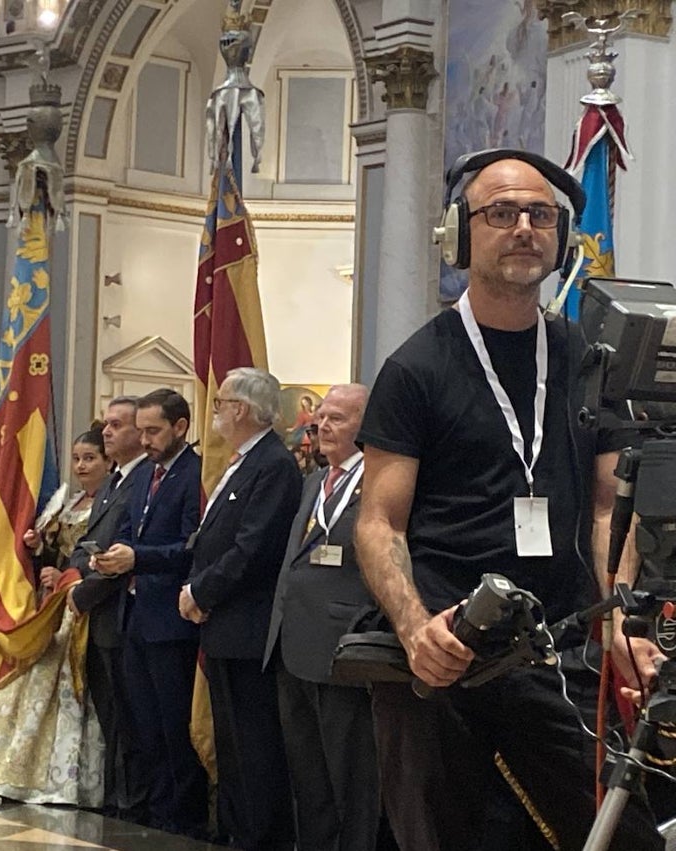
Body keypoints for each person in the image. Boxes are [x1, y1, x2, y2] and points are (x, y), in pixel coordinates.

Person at [354, 150, 663, 850]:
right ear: (459, 238)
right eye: (501, 213)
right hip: (443, 649)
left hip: (556, 647)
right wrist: (414, 629)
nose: (523, 227)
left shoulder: (588, 359)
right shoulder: (415, 367)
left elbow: (609, 510)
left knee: (624, 838)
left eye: (540, 215)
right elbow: (379, 520)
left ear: (559, 238)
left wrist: (617, 619)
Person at [0, 428, 110, 805]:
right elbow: (55, 555)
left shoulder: (109, 503)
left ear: (108, 462)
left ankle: (68, 778)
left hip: (81, 604)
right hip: (53, 605)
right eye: (76, 459)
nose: (81, 466)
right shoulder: (66, 503)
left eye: (90, 458)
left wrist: (65, 574)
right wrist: (42, 551)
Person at [266, 383, 390, 851]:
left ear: (367, 424)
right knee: (309, 778)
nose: (321, 425)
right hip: (293, 643)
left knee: (352, 779)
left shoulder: (380, 480)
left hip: (345, 646)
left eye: (336, 417)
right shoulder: (316, 481)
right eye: (320, 416)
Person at [181, 367, 300, 851]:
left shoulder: (273, 464)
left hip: (248, 628)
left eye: (219, 402)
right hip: (226, 627)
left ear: (240, 410)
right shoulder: (243, 462)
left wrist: (200, 593)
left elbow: (252, 548)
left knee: (253, 745)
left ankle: (258, 837)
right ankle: (235, 832)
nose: (215, 413)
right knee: (231, 745)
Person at [93, 389, 207, 837]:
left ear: (180, 427)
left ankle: (183, 817)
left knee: (175, 725)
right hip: (135, 615)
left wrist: (137, 558)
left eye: (153, 431)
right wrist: (108, 557)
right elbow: (127, 532)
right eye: (139, 431)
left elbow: (191, 547)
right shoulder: (143, 476)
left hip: (171, 620)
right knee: (143, 725)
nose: (145, 440)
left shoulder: (194, 475)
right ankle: (154, 812)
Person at [68, 397, 151, 821]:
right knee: (111, 714)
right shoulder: (116, 482)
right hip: (101, 619)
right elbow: (94, 544)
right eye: (107, 424)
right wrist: (72, 572)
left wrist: (82, 591)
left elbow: (125, 549)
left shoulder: (142, 481)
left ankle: (131, 801)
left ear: (140, 432)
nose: (107, 431)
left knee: (129, 717)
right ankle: (118, 795)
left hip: (122, 614)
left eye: (117, 425)